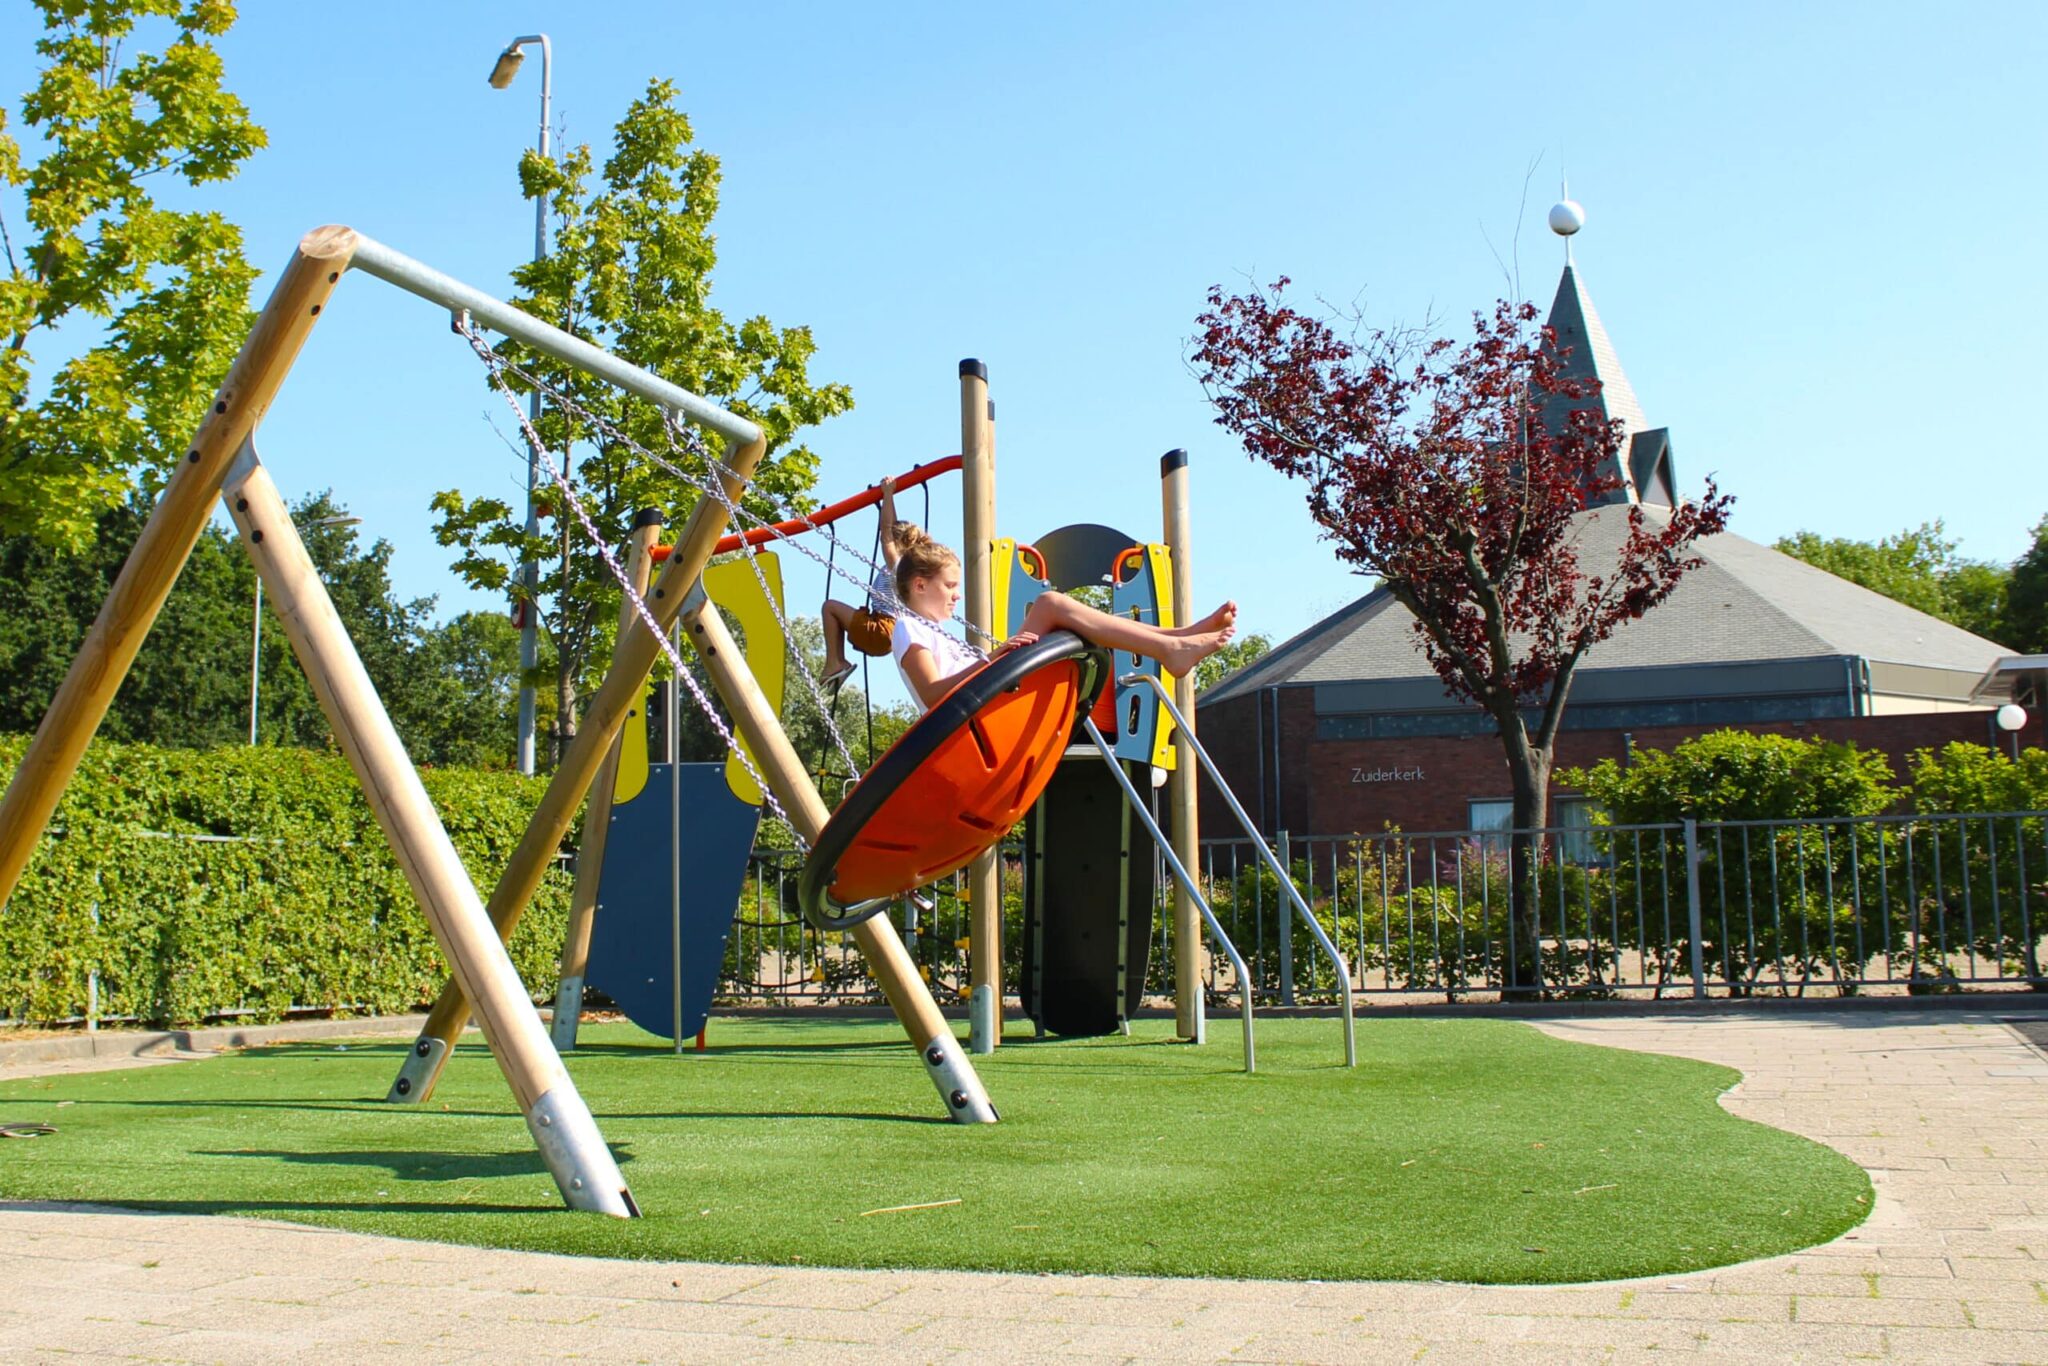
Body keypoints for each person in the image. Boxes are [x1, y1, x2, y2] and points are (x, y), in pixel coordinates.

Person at [889, 525, 1237, 712]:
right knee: (1049, 604)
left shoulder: (937, 633)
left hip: (988, 701)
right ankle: (1170, 647)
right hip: (977, 717)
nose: (957, 595)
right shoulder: (908, 627)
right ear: (920, 585)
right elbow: (933, 695)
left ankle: (1176, 637)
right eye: (950, 586)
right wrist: (992, 659)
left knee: (1054, 608)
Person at [819, 476, 903, 698]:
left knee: (830, 607)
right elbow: (893, 529)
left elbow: (887, 532)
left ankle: (834, 662)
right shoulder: (909, 570)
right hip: (889, 634)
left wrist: (887, 494)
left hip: (882, 628)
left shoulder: (899, 566)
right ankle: (837, 663)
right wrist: (889, 497)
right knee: (834, 612)